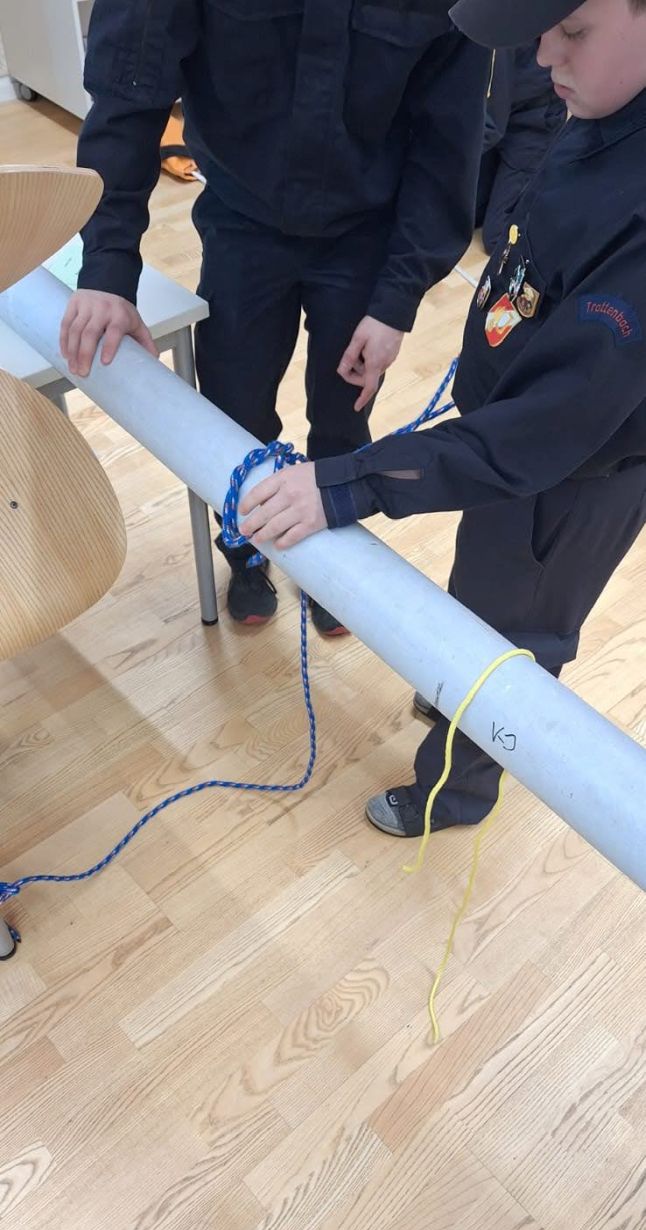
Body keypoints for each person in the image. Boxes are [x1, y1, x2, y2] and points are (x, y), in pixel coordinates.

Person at [239, 0, 646, 838]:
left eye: (572, 33)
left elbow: (541, 434)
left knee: (514, 641)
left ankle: (452, 794)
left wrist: (346, 484)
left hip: (570, 478)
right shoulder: (604, 104)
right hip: (508, 442)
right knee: (481, 588)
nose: (545, 56)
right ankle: (452, 679)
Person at [60, 2, 489, 636]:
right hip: (241, 217)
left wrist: (396, 300)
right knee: (233, 405)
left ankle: (329, 556)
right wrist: (107, 264)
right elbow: (131, 82)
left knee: (343, 415)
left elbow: (448, 141)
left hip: (367, 230)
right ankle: (245, 549)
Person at [477, 42, 566, 252]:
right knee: (465, 216)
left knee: (497, 237)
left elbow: (492, 125)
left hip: (534, 126)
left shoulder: (502, 38)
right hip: (505, 114)